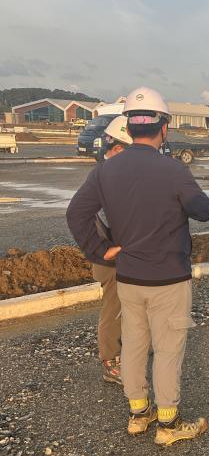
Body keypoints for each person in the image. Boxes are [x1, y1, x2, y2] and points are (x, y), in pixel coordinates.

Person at [66, 86, 209, 446]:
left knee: (132, 345)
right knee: (167, 350)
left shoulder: (106, 171)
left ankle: (138, 414)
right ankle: (169, 423)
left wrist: (101, 251)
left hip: (129, 277)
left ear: (129, 127)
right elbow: (204, 211)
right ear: (164, 127)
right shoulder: (173, 169)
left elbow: (76, 213)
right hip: (168, 278)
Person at [84, 115, 132, 385]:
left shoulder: (112, 173)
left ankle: (126, 353)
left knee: (127, 306)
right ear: (117, 148)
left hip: (118, 253)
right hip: (111, 258)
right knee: (114, 309)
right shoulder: (106, 177)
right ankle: (111, 361)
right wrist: (102, 251)